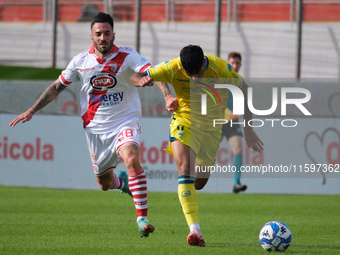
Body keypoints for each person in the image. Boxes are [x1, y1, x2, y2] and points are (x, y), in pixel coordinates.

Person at [9, 12, 154, 238]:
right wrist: (32, 110)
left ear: (113, 34)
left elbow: (147, 71)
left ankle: (142, 218)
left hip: (125, 120)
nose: (103, 37)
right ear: (91, 36)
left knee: (132, 159)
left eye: (107, 33)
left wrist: (155, 86)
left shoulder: (127, 55)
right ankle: (123, 184)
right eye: (99, 34)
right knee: (104, 183)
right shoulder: (80, 62)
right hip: (96, 130)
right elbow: (57, 87)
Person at [130, 45, 264, 246]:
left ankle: (187, 196)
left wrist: (249, 128)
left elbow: (245, 90)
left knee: (199, 182)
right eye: (189, 74)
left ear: (204, 62)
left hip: (212, 130)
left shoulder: (221, 69)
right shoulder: (173, 67)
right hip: (184, 121)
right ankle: (195, 230)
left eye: (198, 73)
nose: (194, 79)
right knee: (185, 170)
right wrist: (158, 90)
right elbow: (136, 75)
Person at [222, 52, 247, 193]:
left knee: (238, 148)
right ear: (228, 63)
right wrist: (227, 113)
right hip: (218, 121)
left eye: (237, 63)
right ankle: (193, 179)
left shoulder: (241, 82)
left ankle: (236, 183)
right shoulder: (221, 79)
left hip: (233, 122)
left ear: (240, 65)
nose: (235, 65)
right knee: (208, 154)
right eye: (232, 62)